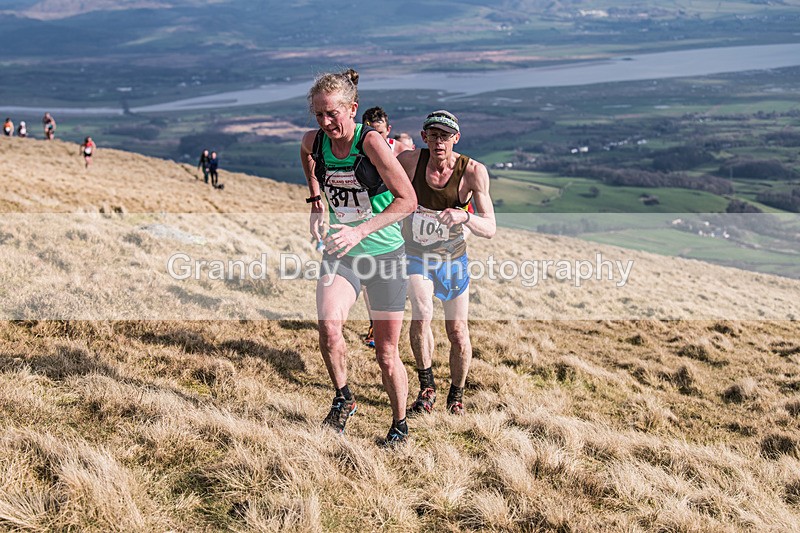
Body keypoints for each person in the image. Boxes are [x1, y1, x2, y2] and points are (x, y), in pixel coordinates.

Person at [300, 68, 417, 445]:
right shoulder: (315, 141)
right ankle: (343, 399)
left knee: (386, 353)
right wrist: (316, 202)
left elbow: (408, 201)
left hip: (384, 255)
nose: (326, 121)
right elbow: (306, 154)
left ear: (352, 109)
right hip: (342, 254)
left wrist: (360, 230)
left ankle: (400, 424)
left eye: (333, 113)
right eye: (319, 114)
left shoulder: (371, 144)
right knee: (329, 328)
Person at [396, 109, 496, 416]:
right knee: (422, 313)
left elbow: (490, 227)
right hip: (416, 254)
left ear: (457, 138)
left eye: (446, 136)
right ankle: (427, 390)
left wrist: (464, 215)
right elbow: (386, 193)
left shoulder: (473, 172)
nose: (440, 142)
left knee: (457, 331)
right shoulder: (410, 161)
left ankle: (457, 396)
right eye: (434, 135)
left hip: (453, 258)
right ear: (424, 138)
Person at [359, 106, 413, 348]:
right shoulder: (357, 150)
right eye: (369, 132)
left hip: (398, 224)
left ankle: (391, 328)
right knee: (367, 279)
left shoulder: (401, 151)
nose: (375, 139)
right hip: (366, 223)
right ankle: (375, 325)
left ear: (388, 131)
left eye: (379, 133)